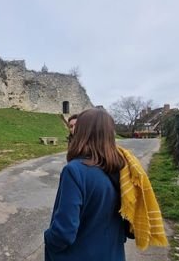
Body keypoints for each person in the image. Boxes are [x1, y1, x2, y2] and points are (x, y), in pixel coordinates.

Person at [44, 108, 167, 260]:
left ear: (82, 132)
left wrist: (48, 238)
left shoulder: (75, 171)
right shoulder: (123, 169)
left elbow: (63, 233)